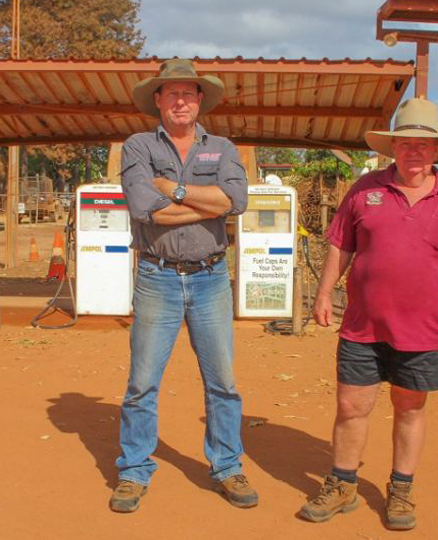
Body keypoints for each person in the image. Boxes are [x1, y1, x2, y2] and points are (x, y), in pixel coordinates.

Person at [300, 98, 438, 530]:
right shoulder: (365, 189)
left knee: (410, 408)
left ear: (436, 150)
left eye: (423, 145)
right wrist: (324, 292)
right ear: (393, 148)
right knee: (351, 405)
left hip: (423, 331)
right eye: (406, 144)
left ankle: (401, 490)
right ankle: (342, 483)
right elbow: (340, 245)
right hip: (363, 325)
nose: (414, 152)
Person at [109, 58, 254, 513]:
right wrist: (210, 204)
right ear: (157, 99)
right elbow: (142, 208)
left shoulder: (223, 147)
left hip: (212, 277)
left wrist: (171, 189)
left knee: (224, 383)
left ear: (199, 100)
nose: (180, 101)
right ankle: (133, 470)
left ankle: (227, 465)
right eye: (171, 93)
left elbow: (239, 201)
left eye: (187, 93)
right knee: (142, 383)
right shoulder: (137, 146)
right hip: (158, 276)